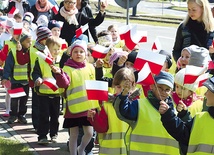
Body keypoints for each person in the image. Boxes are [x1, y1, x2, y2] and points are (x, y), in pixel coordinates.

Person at [113, 71, 181, 154]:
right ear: (152, 86)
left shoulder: (176, 111)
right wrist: (124, 95)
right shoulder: (139, 105)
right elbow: (123, 112)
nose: (163, 92)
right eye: (160, 87)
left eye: (167, 90)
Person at [53, 40, 100, 155]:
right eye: (75, 52)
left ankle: (81, 149)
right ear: (71, 54)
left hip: (89, 107)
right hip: (73, 107)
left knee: (89, 133)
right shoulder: (67, 68)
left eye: (81, 52)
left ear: (86, 54)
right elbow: (64, 84)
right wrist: (59, 74)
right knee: (73, 135)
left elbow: (96, 83)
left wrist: (99, 68)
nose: (78, 54)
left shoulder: (90, 67)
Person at [87, 68, 137, 155]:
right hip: (110, 150)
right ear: (114, 86)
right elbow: (101, 128)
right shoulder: (106, 104)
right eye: (118, 87)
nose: (122, 90)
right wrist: (94, 117)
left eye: (125, 87)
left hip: (131, 150)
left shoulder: (138, 103)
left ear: (133, 85)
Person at [159, 76, 214, 155]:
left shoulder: (201, 117)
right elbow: (183, 134)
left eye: (209, 90)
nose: (205, 94)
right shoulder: (200, 118)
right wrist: (169, 114)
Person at [32, 36, 61, 145]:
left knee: (55, 115)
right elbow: (35, 72)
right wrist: (37, 79)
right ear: (47, 49)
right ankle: (42, 136)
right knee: (43, 115)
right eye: (54, 49)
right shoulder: (40, 59)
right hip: (43, 93)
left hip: (57, 93)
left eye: (58, 49)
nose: (57, 51)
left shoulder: (60, 60)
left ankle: (54, 134)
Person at [1, 32, 32, 124]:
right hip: (16, 80)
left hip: (26, 80)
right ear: (22, 42)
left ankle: (21, 115)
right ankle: (13, 115)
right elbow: (8, 65)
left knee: (24, 100)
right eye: (28, 42)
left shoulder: (30, 52)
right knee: (14, 100)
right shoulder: (13, 52)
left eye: (30, 42)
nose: (30, 44)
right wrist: (5, 77)